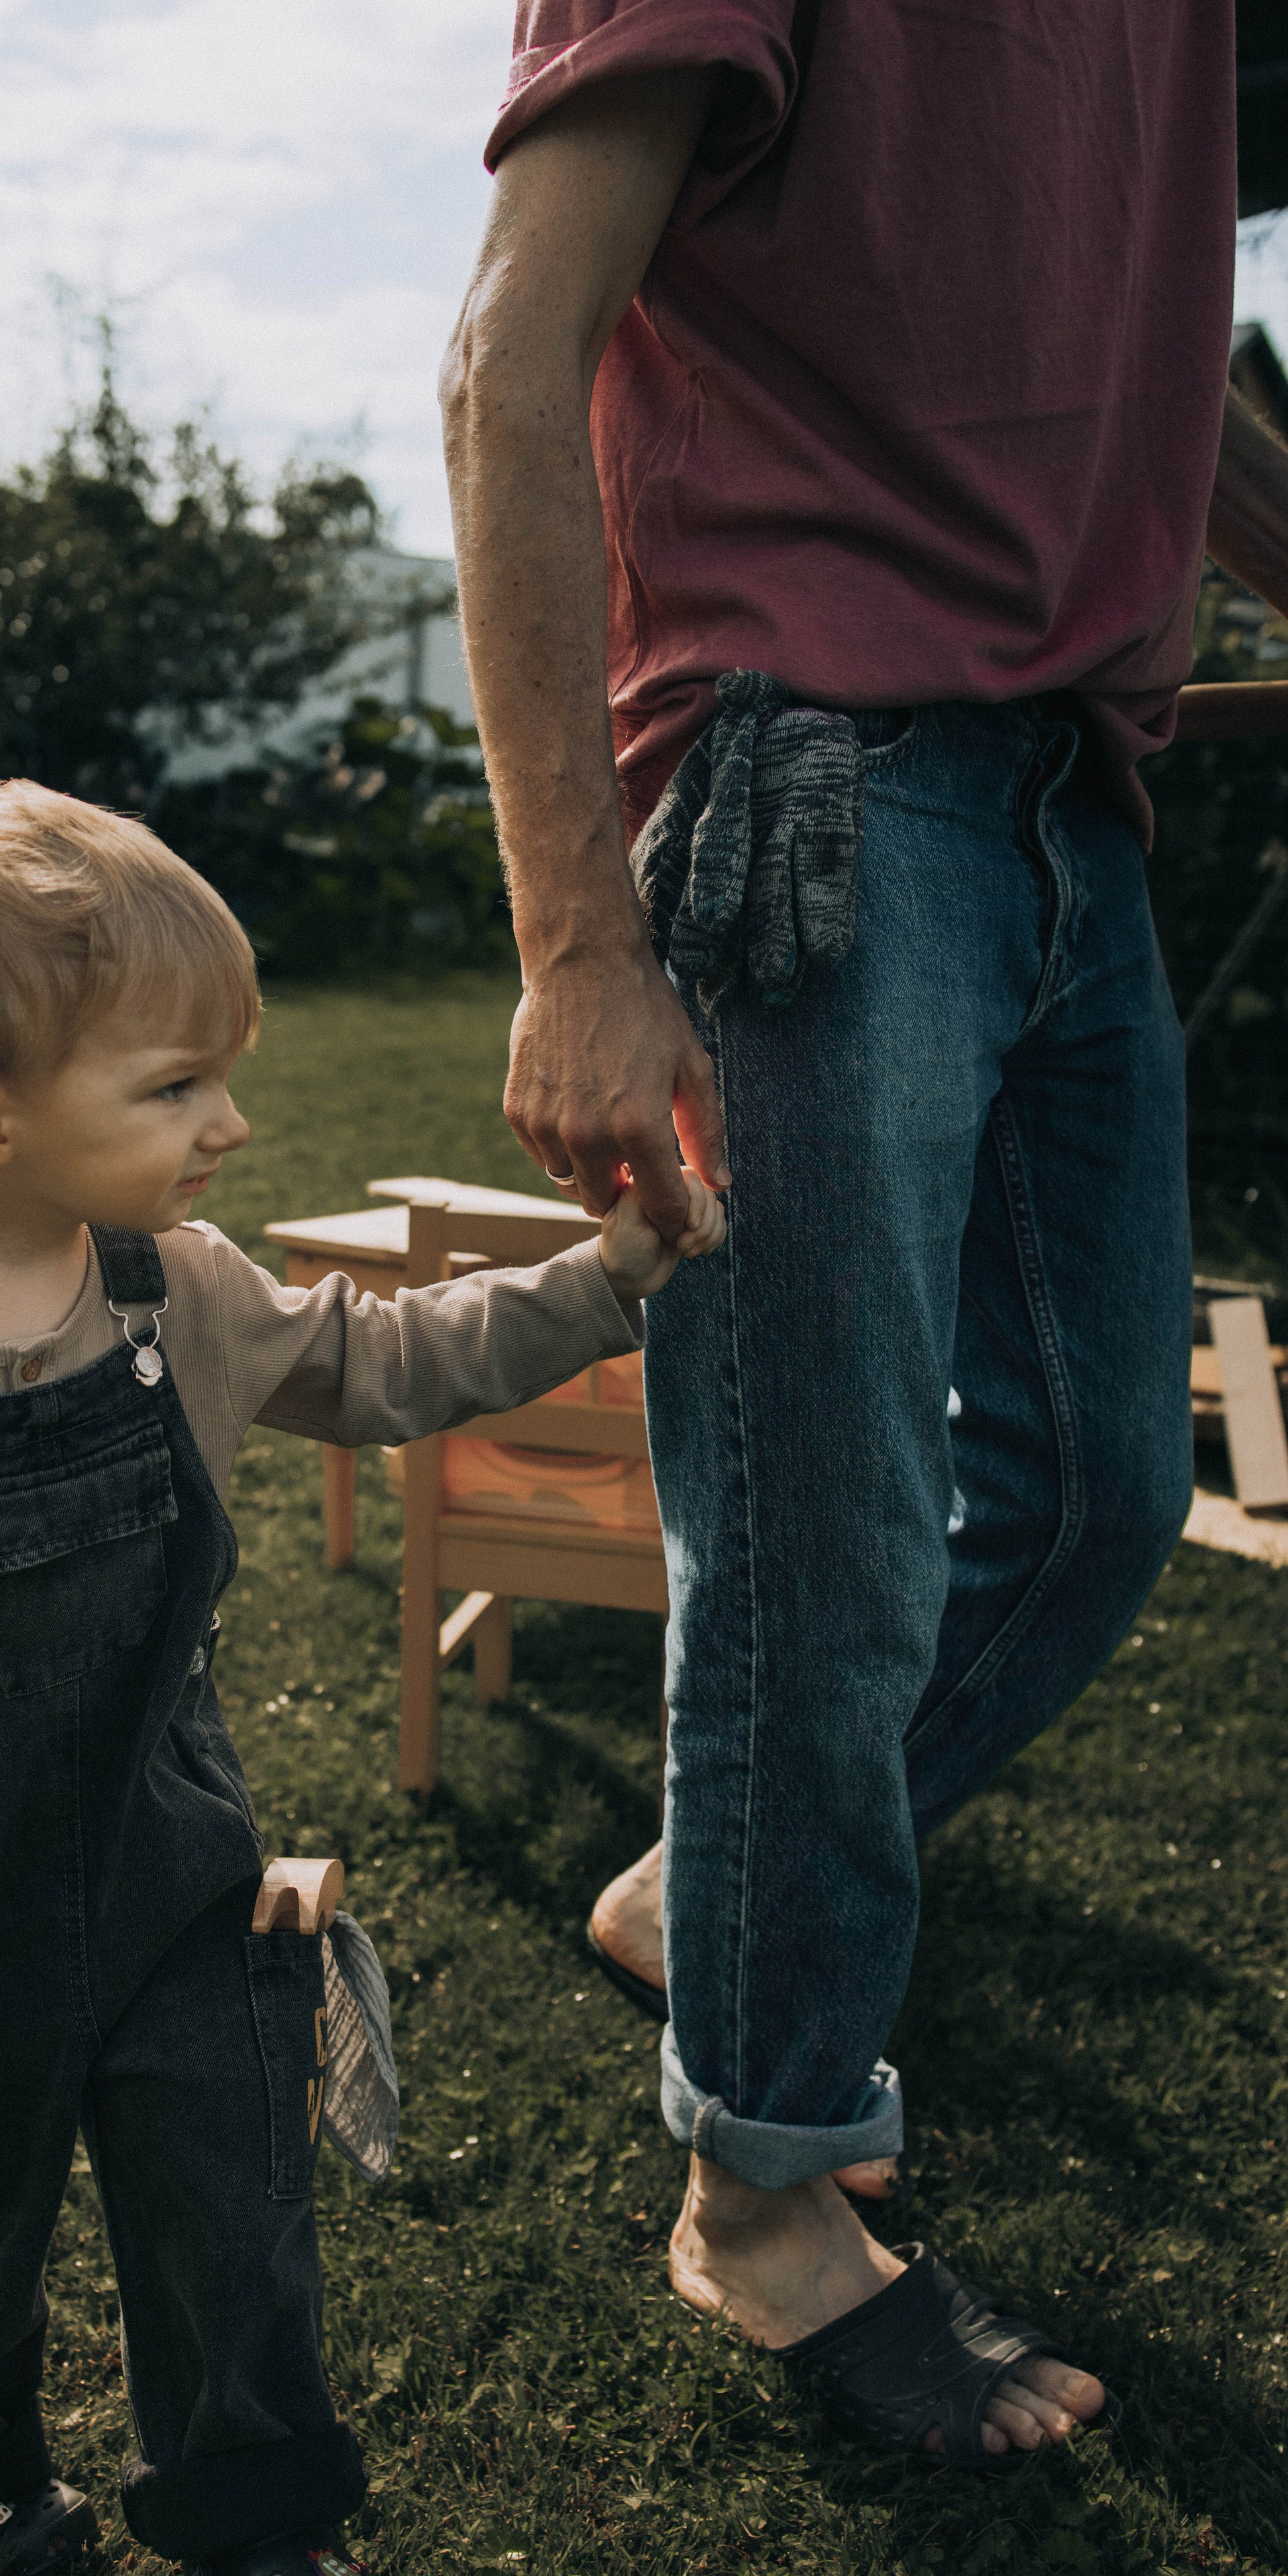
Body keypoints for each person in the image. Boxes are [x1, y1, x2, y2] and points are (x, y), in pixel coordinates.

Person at [441, 0, 1286, 2469]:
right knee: (812, 1552)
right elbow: (513, 349)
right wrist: (582, 940)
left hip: (1075, 805)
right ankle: (766, 2191)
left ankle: (709, 1895)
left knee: (1102, 1490)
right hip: (804, 774)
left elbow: (1165, 395)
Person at [0, 780, 722, 2576]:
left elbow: (390, 1364)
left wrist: (608, 1278)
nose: (231, 1124)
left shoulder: (181, 1289)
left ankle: (253, 2509)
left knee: (230, 2218)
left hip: (177, 1880)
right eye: (174, 1087)